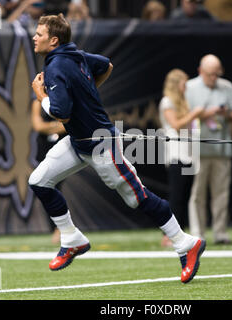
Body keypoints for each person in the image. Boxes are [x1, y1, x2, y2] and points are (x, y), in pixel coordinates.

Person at [29, 14, 205, 283]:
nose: (34, 37)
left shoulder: (56, 67)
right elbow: (106, 66)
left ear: (53, 40)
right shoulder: (74, 55)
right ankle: (72, 238)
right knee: (39, 181)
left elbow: (61, 114)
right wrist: (88, 94)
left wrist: (41, 95)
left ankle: (185, 244)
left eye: (39, 34)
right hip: (79, 142)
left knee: (136, 196)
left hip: (100, 143)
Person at [185, 54, 232, 245]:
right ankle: (197, 233)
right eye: (210, 75)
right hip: (197, 149)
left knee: (221, 193)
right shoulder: (189, 87)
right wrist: (203, 114)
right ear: (200, 71)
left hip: (222, 148)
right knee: (197, 194)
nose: (214, 78)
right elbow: (183, 117)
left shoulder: (228, 87)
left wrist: (226, 114)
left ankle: (220, 233)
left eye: (217, 74)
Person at [158, 69, 204, 246]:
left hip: (189, 155)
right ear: (177, 84)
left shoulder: (184, 102)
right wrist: (194, 114)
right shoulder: (167, 102)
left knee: (185, 196)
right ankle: (168, 235)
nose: (187, 87)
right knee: (176, 197)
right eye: (184, 83)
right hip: (176, 155)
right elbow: (176, 125)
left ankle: (181, 234)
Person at [31, 99, 67, 244]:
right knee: (45, 188)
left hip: (64, 149)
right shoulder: (37, 103)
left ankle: (61, 229)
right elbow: (38, 126)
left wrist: (49, 127)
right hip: (44, 151)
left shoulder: (63, 98)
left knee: (56, 187)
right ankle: (59, 227)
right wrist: (56, 126)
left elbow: (69, 125)